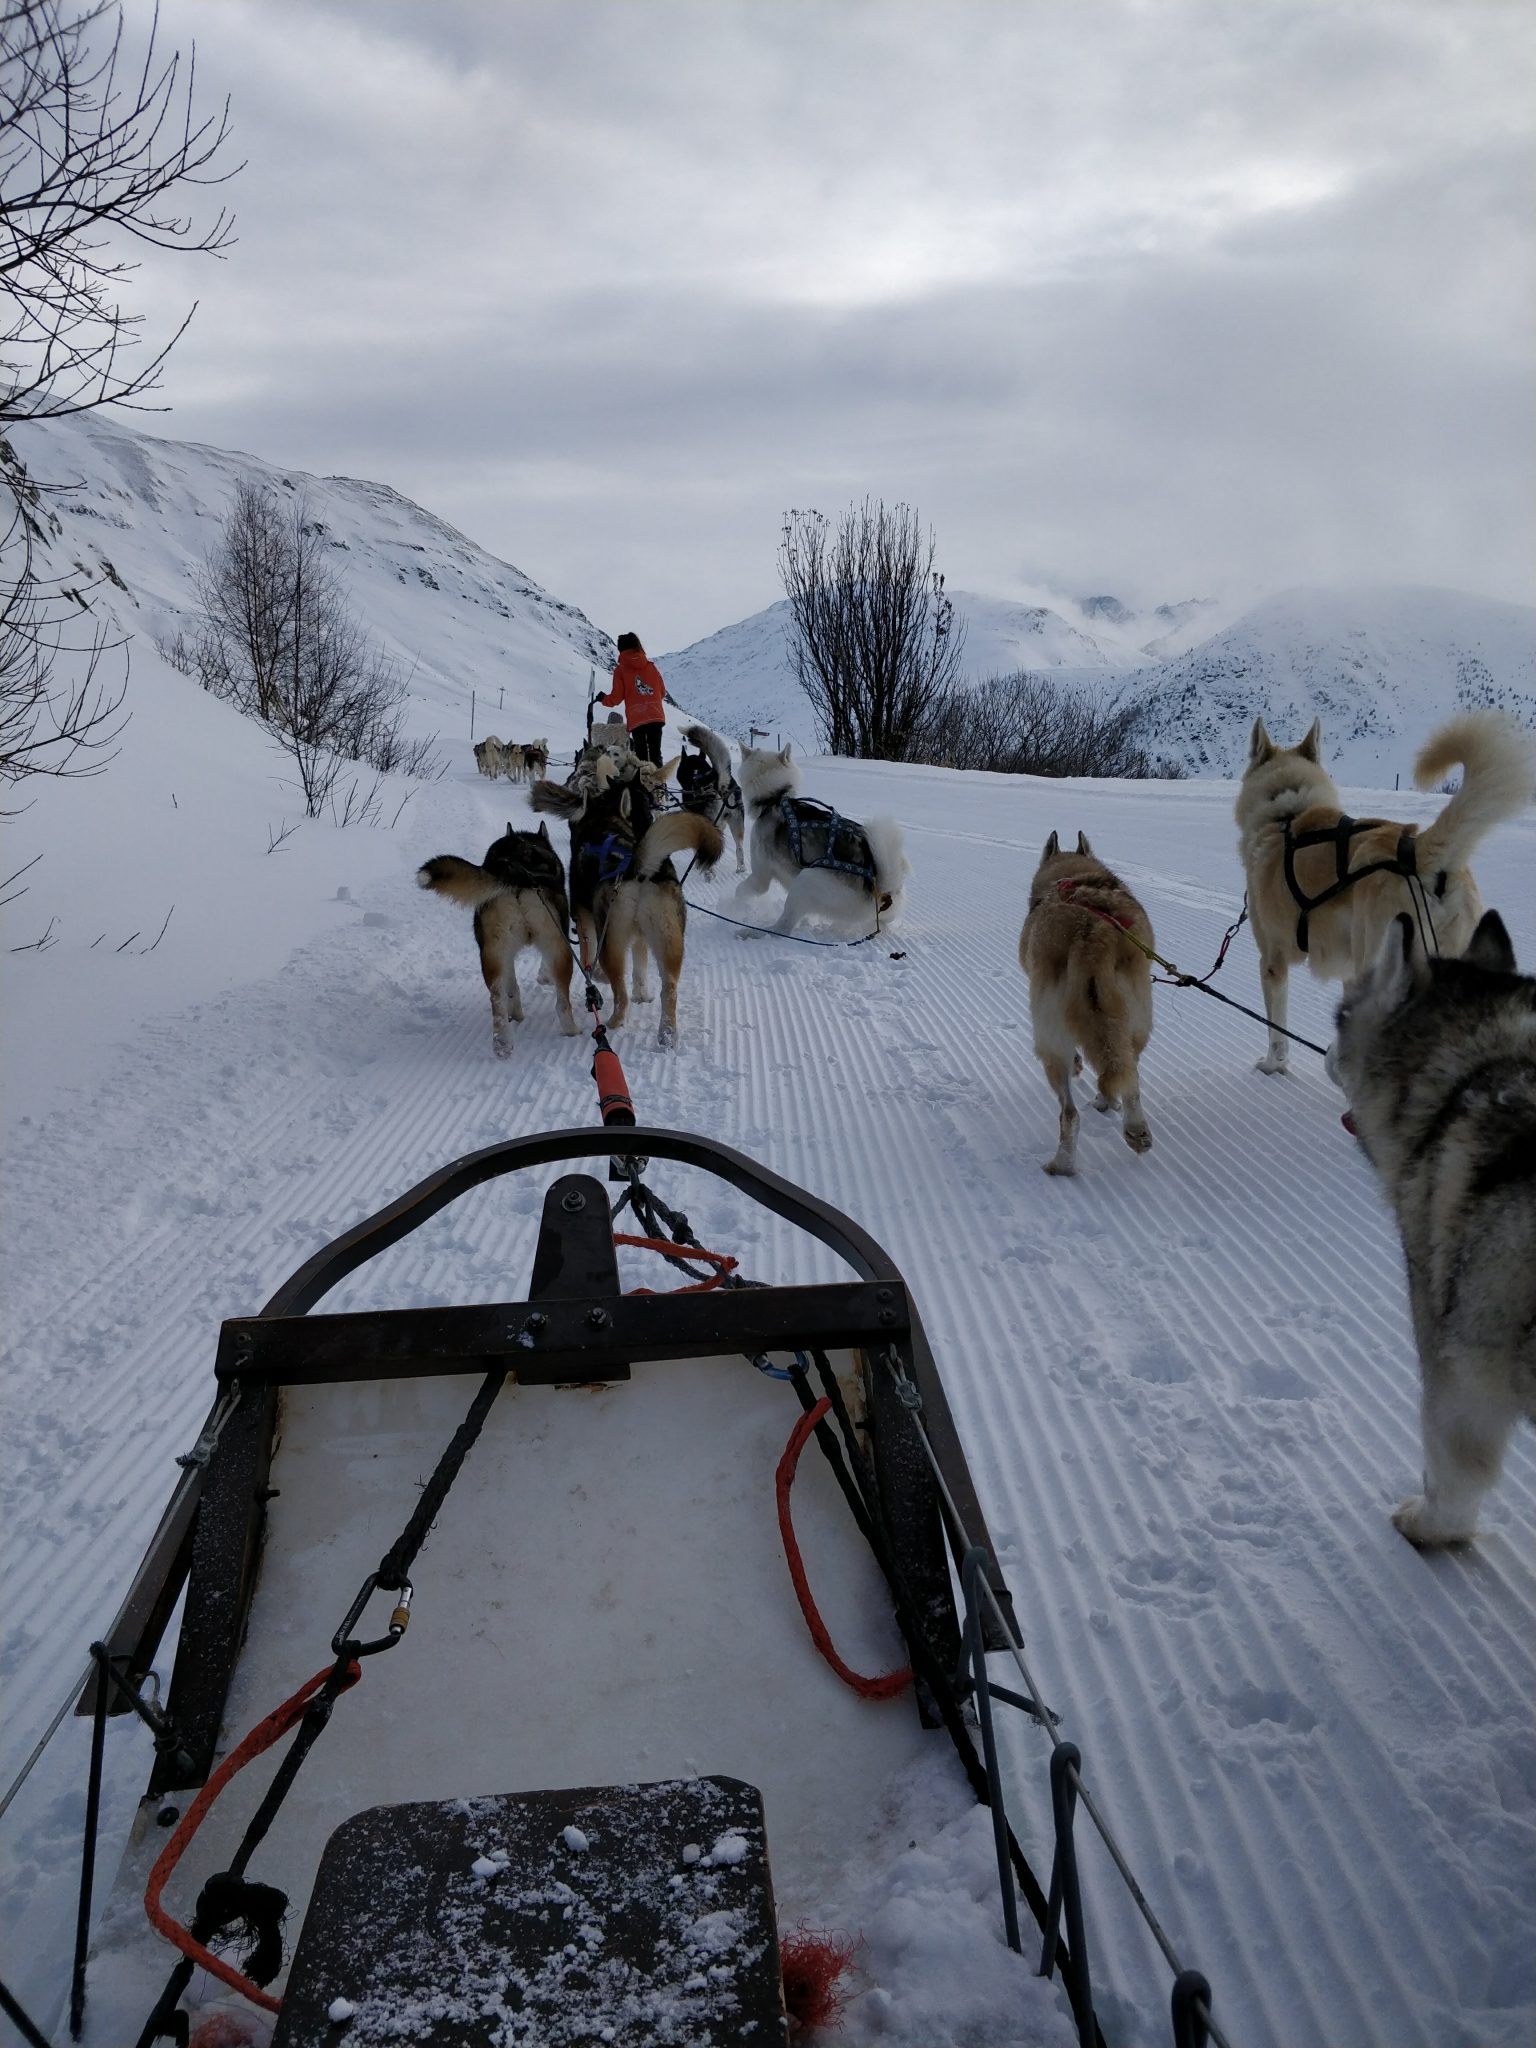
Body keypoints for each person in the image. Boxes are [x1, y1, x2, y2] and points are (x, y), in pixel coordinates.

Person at [599, 632, 669, 766]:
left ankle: (643, 778)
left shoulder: (621, 670)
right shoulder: (651, 666)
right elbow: (662, 692)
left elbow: (616, 698)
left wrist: (603, 699)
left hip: (637, 718)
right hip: (655, 715)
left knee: (641, 756)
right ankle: (658, 778)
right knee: (655, 754)